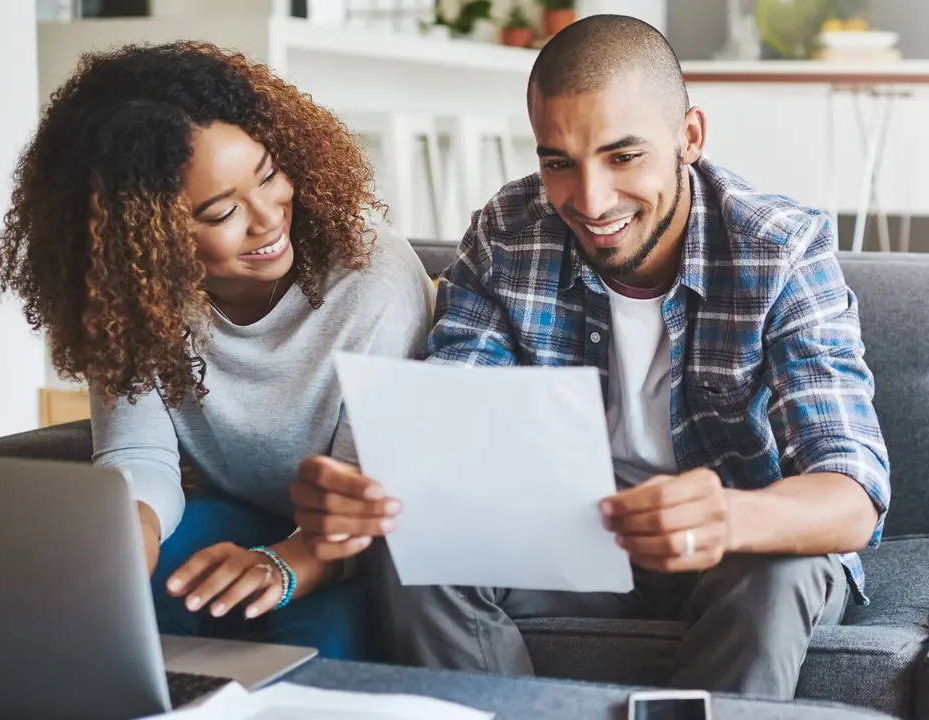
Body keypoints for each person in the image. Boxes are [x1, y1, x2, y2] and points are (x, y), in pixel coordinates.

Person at [289, 14, 890, 697]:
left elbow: (853, 493)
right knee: (409, 547)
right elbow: (453, 412)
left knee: (784, 569)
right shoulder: (510, 234)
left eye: (623, 156)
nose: (591, 200)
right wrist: (368, 487)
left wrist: (726, 517)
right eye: (558, 163)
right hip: (575, 544)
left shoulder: (780, 249)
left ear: (689, 137)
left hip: (739, 549)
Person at [0, 41, 434, 660]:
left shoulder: (370, 279)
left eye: (269, 175)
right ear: (141, 234)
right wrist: (126, 538)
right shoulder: (133, 297)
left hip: (352, 543)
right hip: (235, 512)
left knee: (323, 651)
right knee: (114, 615)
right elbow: (139, 453)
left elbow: (367, 494)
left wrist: (282, 566)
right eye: (221, 211)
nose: (267, 219)